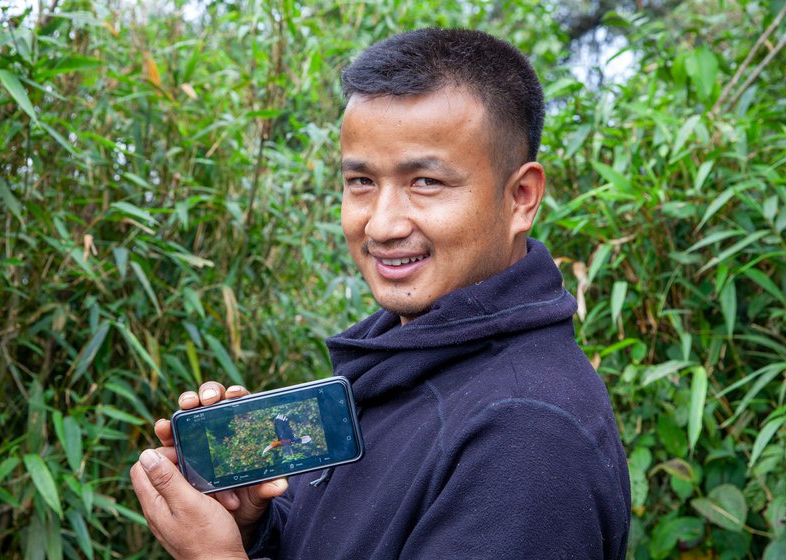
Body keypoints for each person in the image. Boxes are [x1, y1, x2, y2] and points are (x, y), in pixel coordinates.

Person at [131, 28, 631, 559]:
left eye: (426, 182)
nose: (382, 225)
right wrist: (255, 529)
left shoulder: (527, 433)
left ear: (521, 198)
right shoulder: (397, 358)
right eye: (361, 182)